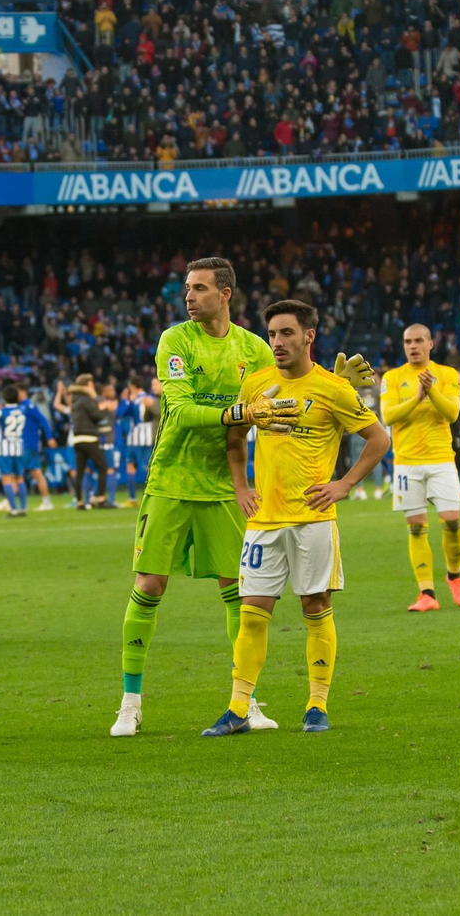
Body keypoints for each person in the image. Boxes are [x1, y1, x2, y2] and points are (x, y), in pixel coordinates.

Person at [110, 256, 375, 737]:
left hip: (226, 490)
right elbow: (183, 408)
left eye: (199, 288)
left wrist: (336, 387)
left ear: (225, 294)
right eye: (186, 288)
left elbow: (292, 374)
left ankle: (245, 702)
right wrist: (244, 414)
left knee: (241, 594)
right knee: (150, 585)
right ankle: (130, 701)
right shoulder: (175, 341)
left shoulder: (253, 349)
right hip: (172, 477)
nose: (188, 296)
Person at [204, 300, 388, 737]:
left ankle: (316, 706)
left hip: (313, 518)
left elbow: (378, 439)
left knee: (315, 605)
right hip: (264, 519)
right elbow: (235, 437)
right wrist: (241, 487)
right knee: (251, 613)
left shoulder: (333, 388)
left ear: (309, 336)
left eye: (286, 333)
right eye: (271, 335)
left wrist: (344, 484)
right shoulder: (257, 383)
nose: (277, 342)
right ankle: (237, 710)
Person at [382, 324, 460, 612]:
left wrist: (430, 391)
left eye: (419, 340)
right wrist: (417, 397)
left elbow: (452, 412)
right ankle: (427, 594)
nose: (413, 346)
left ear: (431, 344)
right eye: (408, 341)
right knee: (416, 528)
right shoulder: (393, 377)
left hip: (442, 459)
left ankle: (454, 576)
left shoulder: (446, 375)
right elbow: (388, 415)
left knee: (452, 521)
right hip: (407, 464)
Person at [0, 383, 53, 517]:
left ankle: (11, 503)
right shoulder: (21, 408)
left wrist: (49, 437)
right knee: (27, 474)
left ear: (23, 392)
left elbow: (43, 420)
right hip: (21, 445)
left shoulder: (28, 406)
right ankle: (39, 502)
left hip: (25, 445)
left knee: (14, 475)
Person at [64, 374, 107, 510]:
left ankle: (79, 502)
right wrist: (103, 407)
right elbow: (97, 416)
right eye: (91, 384)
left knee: (80, 471)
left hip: (77, 439)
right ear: (86, 386)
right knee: (103, 467)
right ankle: (99, 498)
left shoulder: (74, 400)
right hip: (89, 437)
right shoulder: (87, 400)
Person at [117, 376, 159, 507]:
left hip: (138, 436)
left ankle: (133, 498)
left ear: (132, 386)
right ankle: (151, 498)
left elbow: (121, 414)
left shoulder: (135, 400)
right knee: (148, 467)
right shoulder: (150, 398)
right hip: (144, 436)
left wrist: (125, 401)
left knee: (136, 466)